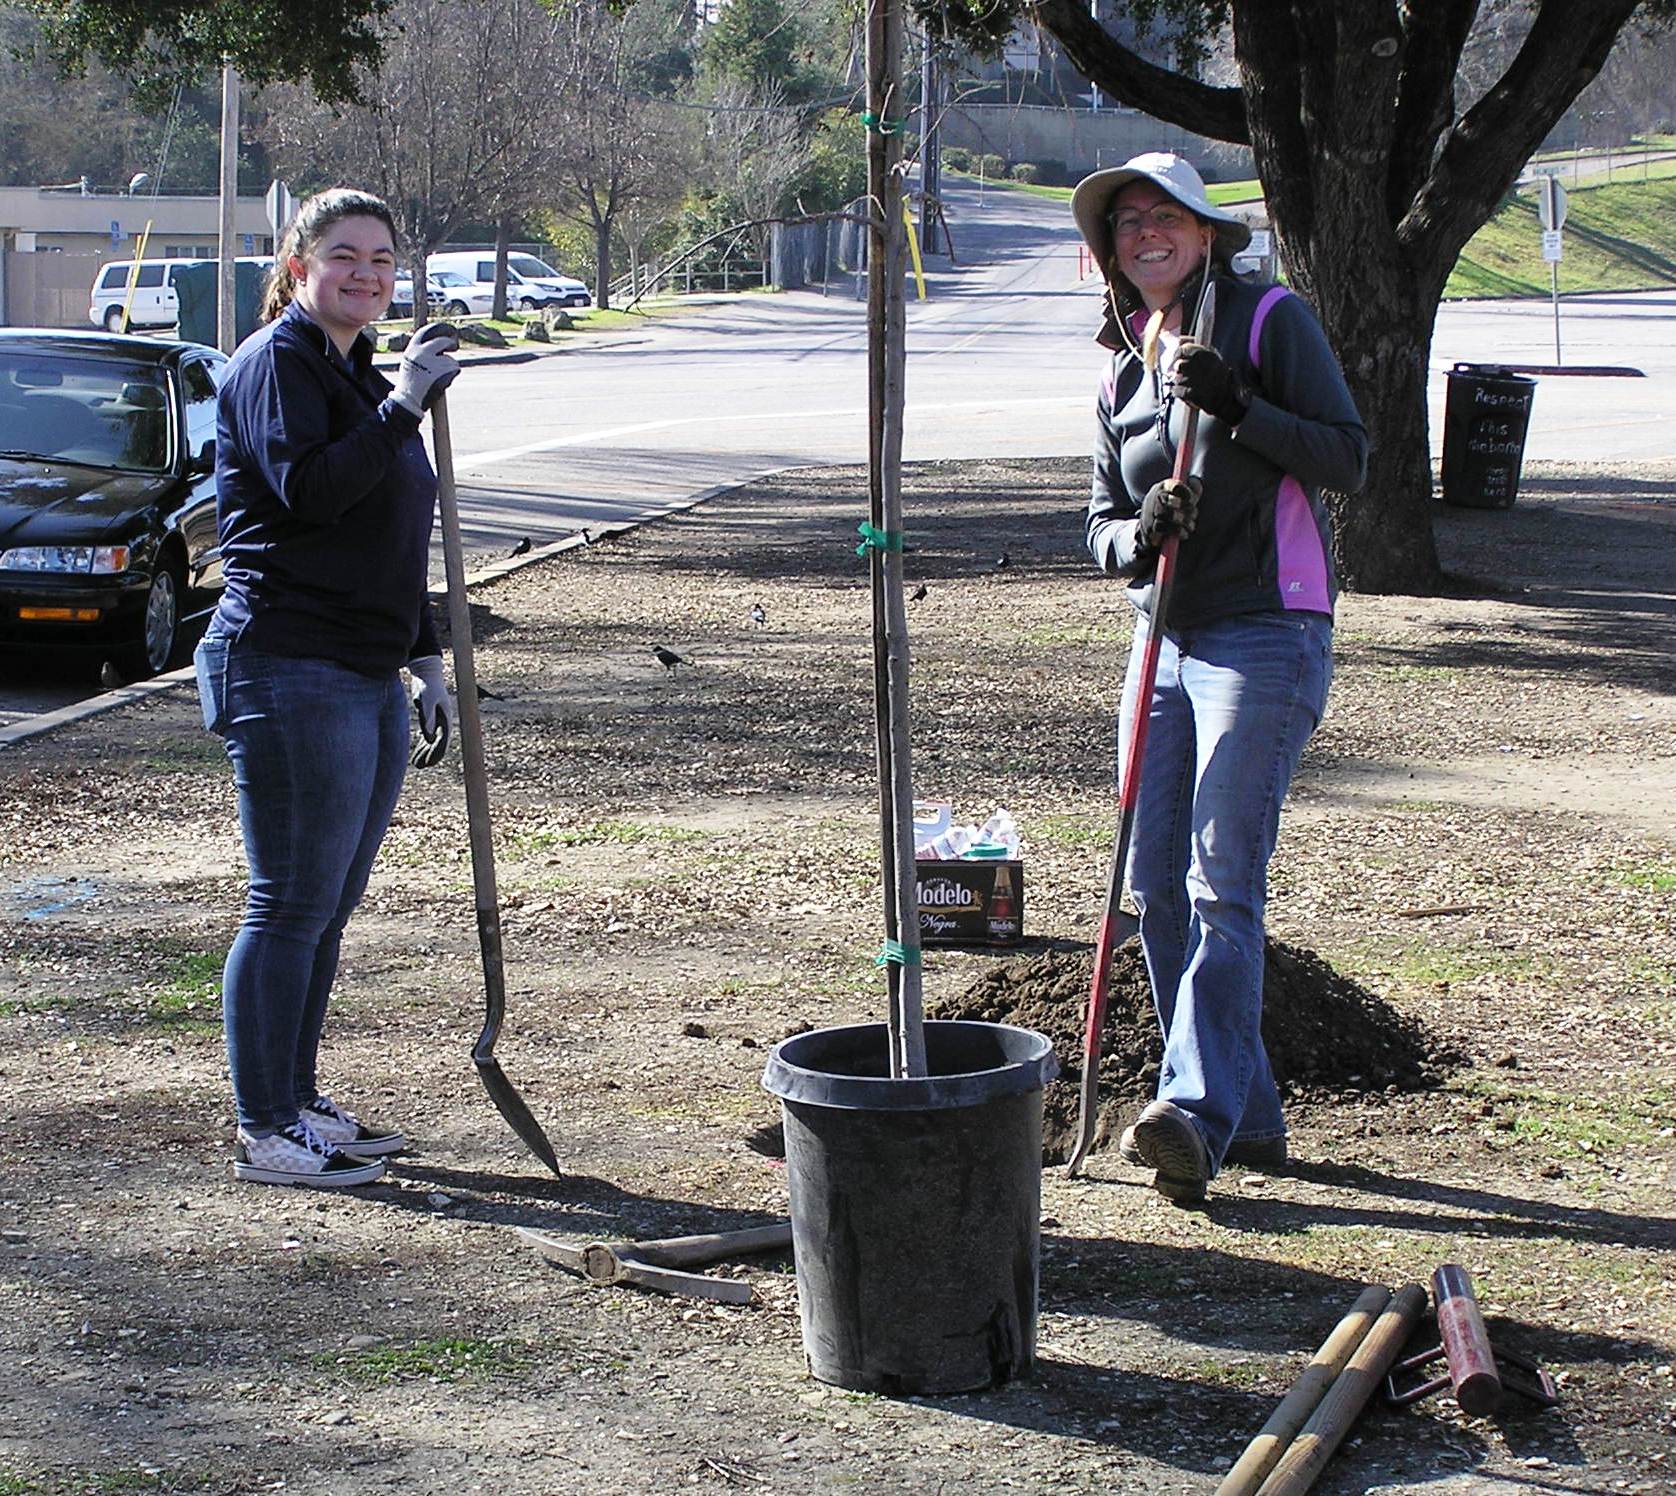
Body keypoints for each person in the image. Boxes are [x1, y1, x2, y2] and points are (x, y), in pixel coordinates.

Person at [1071, 153, 1369, 1203]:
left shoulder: (1263, 318)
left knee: (1217, 880)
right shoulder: (1118, 363)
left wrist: (1238, 405)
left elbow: (1346, 458)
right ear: (1108, 250)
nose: (1145, 234)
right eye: (1125, 223)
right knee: (1151, 888)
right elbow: (1096, 518)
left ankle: (1193, 1111)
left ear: (1204, 233)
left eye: (1166, 217)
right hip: (1163, 643)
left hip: (1265, 632)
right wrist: (1135, 536)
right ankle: (1247, 1118)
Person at [194, 187, 463, 1189]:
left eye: (382, 259)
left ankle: (300, 1103)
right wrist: (403, 405)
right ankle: (264, 1126)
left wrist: (424, 651)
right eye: (344, 255)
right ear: (297, 264)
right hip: (285, 661)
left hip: (362, 666)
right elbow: (312, 491)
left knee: (327, 905)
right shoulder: (274, 365)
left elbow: (388, 539)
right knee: (287, 903)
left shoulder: (352, 371)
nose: (366, 274)